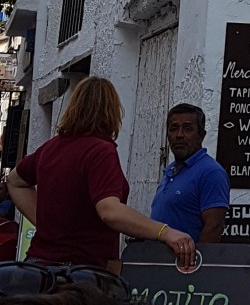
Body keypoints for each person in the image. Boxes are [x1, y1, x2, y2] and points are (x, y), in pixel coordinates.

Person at [6, 77, 195, 270]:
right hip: (78, 272)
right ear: (111, 111)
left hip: (38, 268)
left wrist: (46, 225)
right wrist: (164, 232)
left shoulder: (50, 148)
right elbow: (109, 211)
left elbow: (14, 181)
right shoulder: (100, 151)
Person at [150, 104, 229, 243]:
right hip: (157, 255)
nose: (179, 135)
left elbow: (214, 227)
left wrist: (196, 257)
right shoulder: (170, 171)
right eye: (173, 128)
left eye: (187, 129)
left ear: (201, 136)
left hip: (185, 257)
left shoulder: (211, 172)